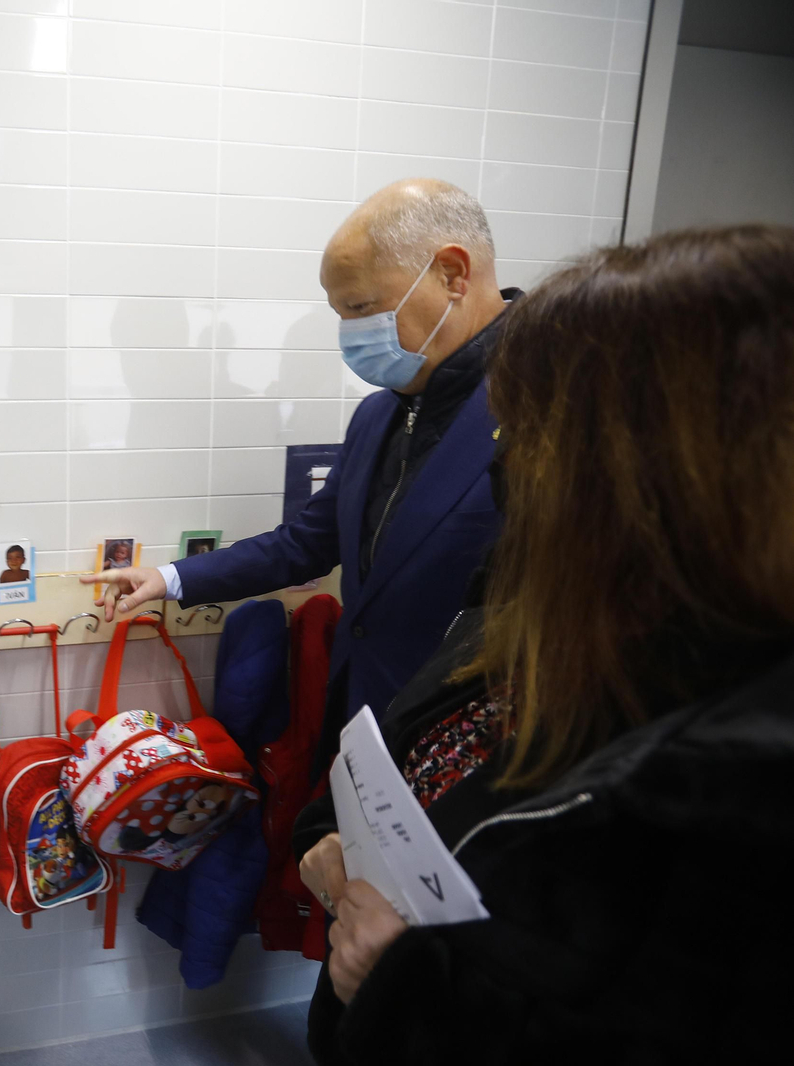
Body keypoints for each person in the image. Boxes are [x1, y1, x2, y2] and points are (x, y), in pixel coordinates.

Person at [293, 226, 794, 1062]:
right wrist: (332, 822)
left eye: (543, 430)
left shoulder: (741, 787)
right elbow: (434, 722)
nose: (512, 462)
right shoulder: (556, 597)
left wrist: (405, 988)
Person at [84, 178, 515, 738]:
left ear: (453, 274)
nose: (351, 334)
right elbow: (309, 542)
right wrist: (169, 578)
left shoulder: (558, 414)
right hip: (361, 719)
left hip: (469, 744)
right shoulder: (380, 414)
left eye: (363, 308)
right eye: (340, 313)